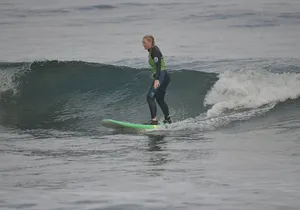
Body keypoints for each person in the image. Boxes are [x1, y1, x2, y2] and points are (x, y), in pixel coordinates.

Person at [142, 35, 172, 125]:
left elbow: (158, 66)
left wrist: (157, 79)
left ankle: (154, 121)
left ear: (150, 42)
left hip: (161, 76)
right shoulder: (152, 50)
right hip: (164, 76)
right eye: (142, 42)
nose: (143, 44)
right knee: (159, 99)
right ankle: (168, 120)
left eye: (144, 42)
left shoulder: (154, 51)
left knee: (150, 97)